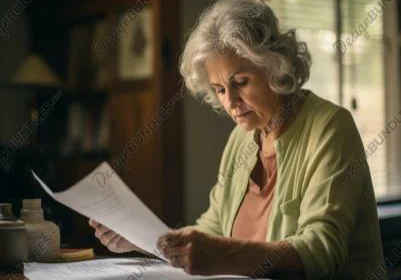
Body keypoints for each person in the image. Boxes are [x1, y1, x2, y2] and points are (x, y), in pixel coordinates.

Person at [89, 0, 386, 279]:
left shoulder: (330, 126)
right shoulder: (241, 140)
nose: (230, 102)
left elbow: (322, 252)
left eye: (240, 82)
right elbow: (213, 229)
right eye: (219, 89)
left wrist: (222, 254)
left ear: (276, 67)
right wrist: (145, 239)